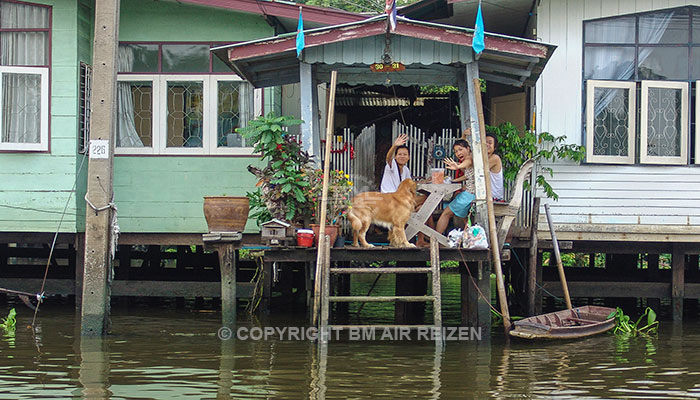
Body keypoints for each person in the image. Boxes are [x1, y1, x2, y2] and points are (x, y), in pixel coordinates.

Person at [435, 140, 475, 235]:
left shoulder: (469, 158)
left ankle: (435, 240)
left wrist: (458, 166)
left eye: (460, 149)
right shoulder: (472, 159)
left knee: (446, 213)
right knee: (464, 218)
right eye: (456, 151)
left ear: (468, 148)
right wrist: (453, 181)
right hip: (472, 194)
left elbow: (467, 163)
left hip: (470, 194)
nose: (458, 153)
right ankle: (469, 238)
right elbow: (467, 175)